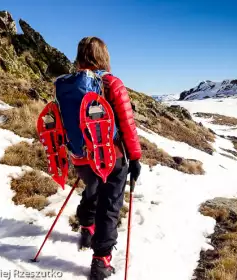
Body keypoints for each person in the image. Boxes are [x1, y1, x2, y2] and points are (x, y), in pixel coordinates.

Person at [69, 37, 142, 279]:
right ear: (103, 56)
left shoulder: (68, 85)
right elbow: (127, 124)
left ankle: (87, 229)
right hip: (112, 157)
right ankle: (101, 260)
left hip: (80, 157)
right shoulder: (110, 83)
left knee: (92, 187)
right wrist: (135, 157)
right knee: (110, 205)